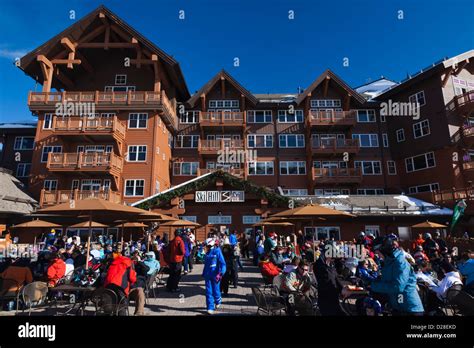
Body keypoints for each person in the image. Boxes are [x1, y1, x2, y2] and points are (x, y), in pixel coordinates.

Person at [370, 236, 424, 315]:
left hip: (410, 309)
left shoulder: (400, 262)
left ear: (384, 250)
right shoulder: (388, 263)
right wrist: (371, 282)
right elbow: (386, 281)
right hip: (398, 306)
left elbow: (398, 287)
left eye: (378, 253)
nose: (378, 255)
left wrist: (374, 286)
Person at [314, 245, 346, 316]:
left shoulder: (331, 264)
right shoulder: (319, 265)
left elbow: (336, 278)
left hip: (334, 297)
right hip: (325, 299)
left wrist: (342, 289)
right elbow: (326, 281)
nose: (333, 258)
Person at [202, 238, 226, 315]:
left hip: (216, 275)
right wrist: (204, 273)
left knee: (216, 291)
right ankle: (210, 307)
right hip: (208, 276)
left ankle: (218, 300)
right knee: (208, 292)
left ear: (211, 245)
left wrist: (221, 273)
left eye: (207, 246)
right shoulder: (206, 253)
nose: (206, 247)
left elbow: (223, 263)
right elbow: (206, 264)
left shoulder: (217, 251)